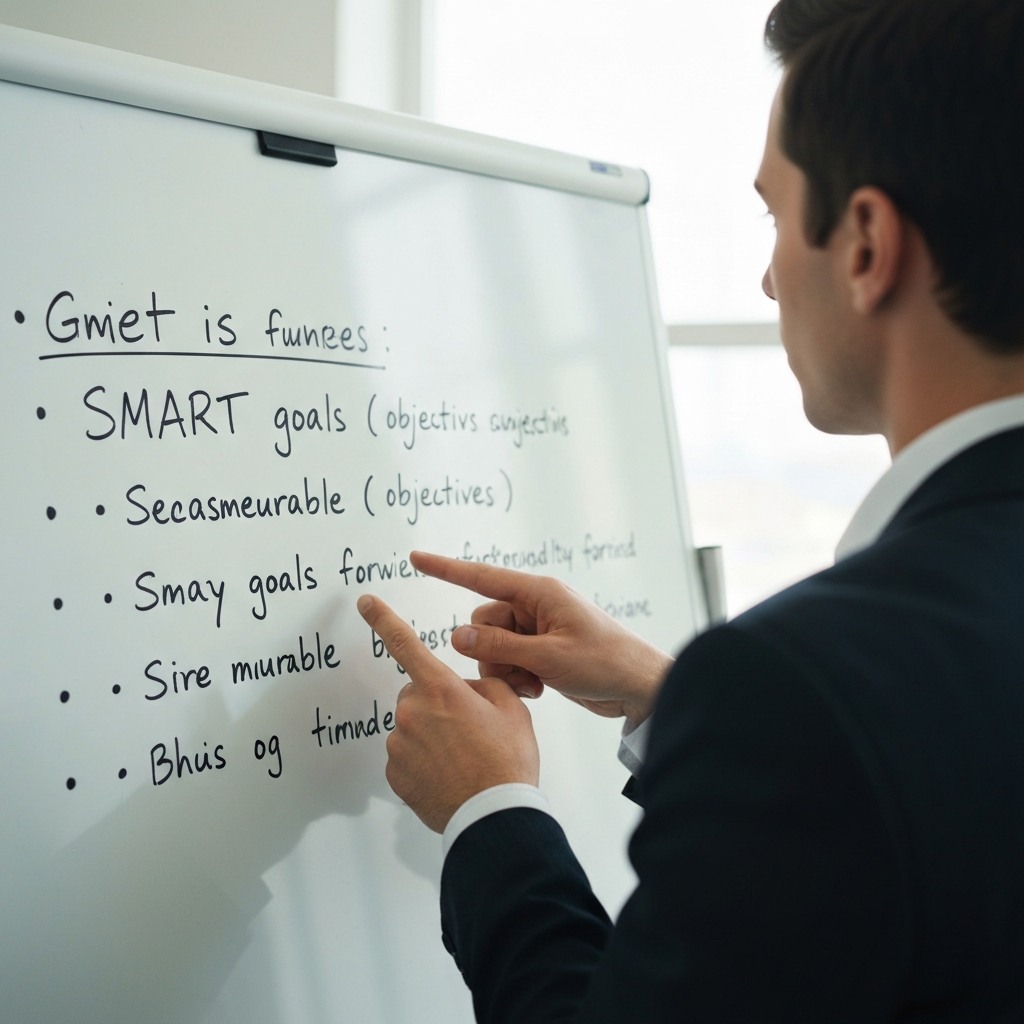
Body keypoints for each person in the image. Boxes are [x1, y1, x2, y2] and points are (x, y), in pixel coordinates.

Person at [357, 0, 1024, 1018]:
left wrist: (487, 811)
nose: (763, 273)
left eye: (771, 215)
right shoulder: (855, 678)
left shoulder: (803, 682)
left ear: (864, 244)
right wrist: (669, 700)